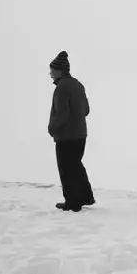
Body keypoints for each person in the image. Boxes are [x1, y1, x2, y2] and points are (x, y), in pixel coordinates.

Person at [48, 50, 95, 212]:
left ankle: (73, 202)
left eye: (52, 70)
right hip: (81, 134)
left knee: (67, 169)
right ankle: (85, 197)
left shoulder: (62, 88)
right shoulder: (78, 85)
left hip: (66, 136)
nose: (50, 74)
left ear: (59, 70)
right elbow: (86, 110)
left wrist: (52, 128)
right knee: (76, 166)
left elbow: (61, 113)